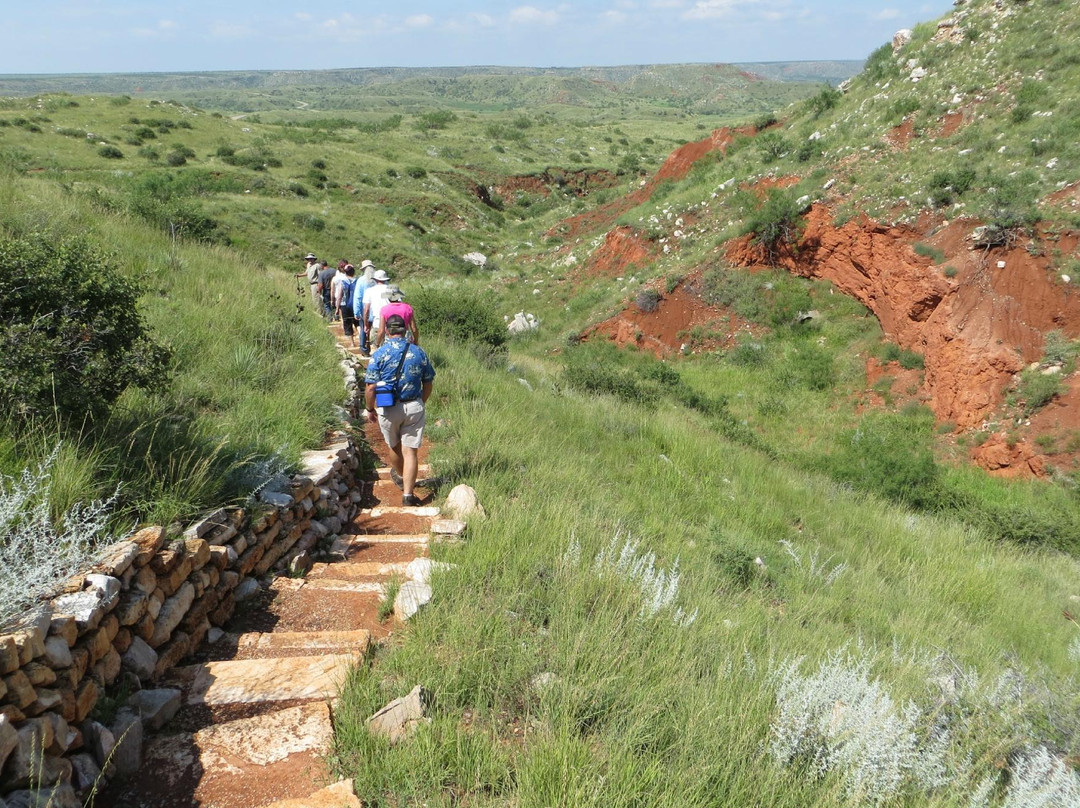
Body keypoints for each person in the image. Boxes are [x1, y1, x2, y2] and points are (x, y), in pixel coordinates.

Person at [364, 314, 435, 506]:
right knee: (410, 451)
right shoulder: (418, 352)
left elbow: (370, 388)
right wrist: (421, 402)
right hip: (413, 405)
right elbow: (428, 382)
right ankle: (408, 495)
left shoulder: (379, 354)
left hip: (388, 407)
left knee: (394, 447)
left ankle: (403, 477)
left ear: (387, 331)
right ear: (405, 331)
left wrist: (370, 408)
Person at [362, 268, 392, 348]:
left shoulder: (369, 291)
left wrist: (366, 324)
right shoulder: (391, 290)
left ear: (375, 279)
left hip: (377, 322)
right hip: (392, 323)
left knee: (378, 348)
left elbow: (366, 310)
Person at [353, 260, 376, 355]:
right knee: (376, 330)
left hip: (365, 310)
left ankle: (364, 349)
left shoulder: (361, 280)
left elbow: (357, 297)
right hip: (377, 311)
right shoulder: (379, 280)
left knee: (364, 329)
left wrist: (356, 312)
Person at [336, 265, 359, 348]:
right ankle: (361, 339)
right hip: (355, 305)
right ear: (353, 272)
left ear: (345, 272)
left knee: (348, 323)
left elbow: (339, 296)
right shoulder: (357, 281)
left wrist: (337, 308)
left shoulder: (342, 282)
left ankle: (352, 343)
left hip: (345, 305)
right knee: (357, 323)